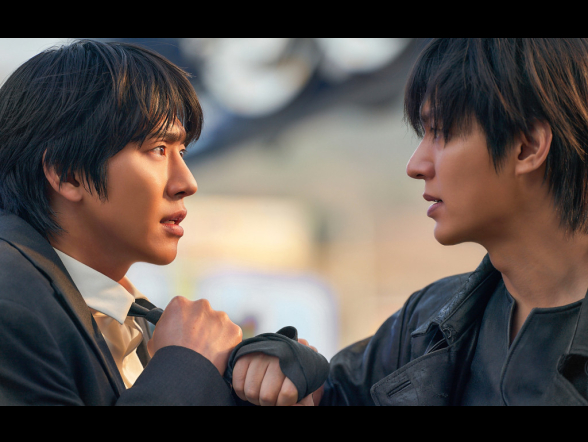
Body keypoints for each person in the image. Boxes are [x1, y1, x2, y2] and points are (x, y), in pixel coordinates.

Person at [0, 39, 318, 405]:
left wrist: (272, 372)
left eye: (182, 152)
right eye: (158, 150)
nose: (187, 183)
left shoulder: (126, 314)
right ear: (68, 174)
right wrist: (186, 365)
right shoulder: (11, 300)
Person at [311, 38, 588, 405]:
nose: (415, 166)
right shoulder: (425, 324)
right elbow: (328, 394)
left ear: (527, 147)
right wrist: (279, 367)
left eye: (441, 131)